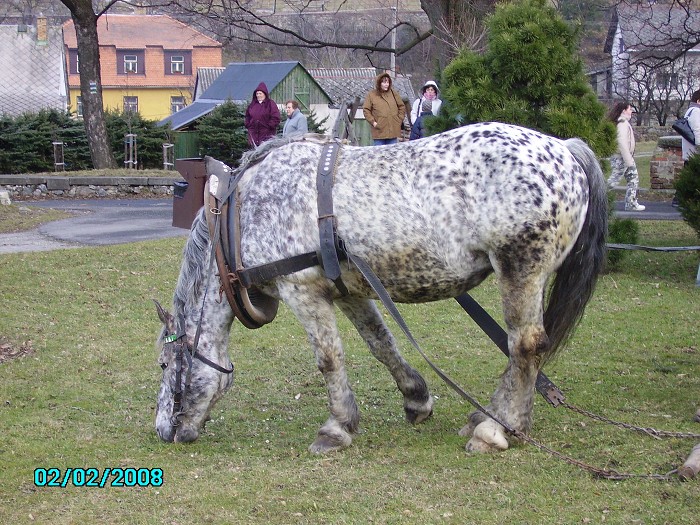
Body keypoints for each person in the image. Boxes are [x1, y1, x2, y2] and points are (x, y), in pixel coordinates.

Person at [608, 101, 645, 211]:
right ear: (624, 111)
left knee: (632, 179)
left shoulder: (621, 122)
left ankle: (631, 203)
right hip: (622, 158)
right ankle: (595, 197)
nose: (631, 111)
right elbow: (622, 143)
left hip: (623, 157)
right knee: (614, 180)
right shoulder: (622, 123)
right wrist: (629, 161)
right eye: (630, 109)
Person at [362, 72, 406, 146]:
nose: (386, 84)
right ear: (379, 83)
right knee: (379, 155)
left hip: (393, 131)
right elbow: (366, 110)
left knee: (392, 155)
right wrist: (373, 122)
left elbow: (401, 106)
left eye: (388, 82)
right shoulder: (372, 95)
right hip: (379, 131)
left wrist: (399, 119)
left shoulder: (393, 93)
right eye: (384, 82)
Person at [675, 89, 700, 206]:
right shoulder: (696, 112)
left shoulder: (690, 110)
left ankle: (680, 199)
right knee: (689, 177)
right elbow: (698, 132)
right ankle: (679, 199)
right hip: (695, 151)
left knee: (688, 177)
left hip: (690, 151)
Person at [244, 82, 281, 147]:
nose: (258, 95)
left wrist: (269, 126)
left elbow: (276, 117)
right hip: (253, 135)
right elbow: (247, 116)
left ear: (264, 94)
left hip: (267, 135)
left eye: (260, 93)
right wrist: (248, 125)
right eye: (257, 93)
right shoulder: (252, 105)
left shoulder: (270, 104)